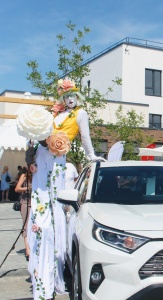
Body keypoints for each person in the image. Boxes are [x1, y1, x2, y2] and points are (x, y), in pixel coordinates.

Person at [16, 79, 105, 300]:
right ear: (62, 98)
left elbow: (85, 138)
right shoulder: (55, 114)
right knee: (41, 214)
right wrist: (31, 157)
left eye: (73, 95)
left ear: (78, 97)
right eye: (66, 96)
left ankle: (52, 273)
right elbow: (36, 139)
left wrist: (91, 155)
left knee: (52, 214)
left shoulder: (80, 114)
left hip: (57, 161)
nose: (70, 99)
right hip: (41, 161)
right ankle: (41, 270)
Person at [15, 166, 32, 261]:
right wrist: (28, 188)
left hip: (34, 202)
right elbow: (17, 188)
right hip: (25, 202)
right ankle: (28, 250)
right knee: (26, 225)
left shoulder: (38, 175)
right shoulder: (24, 176)